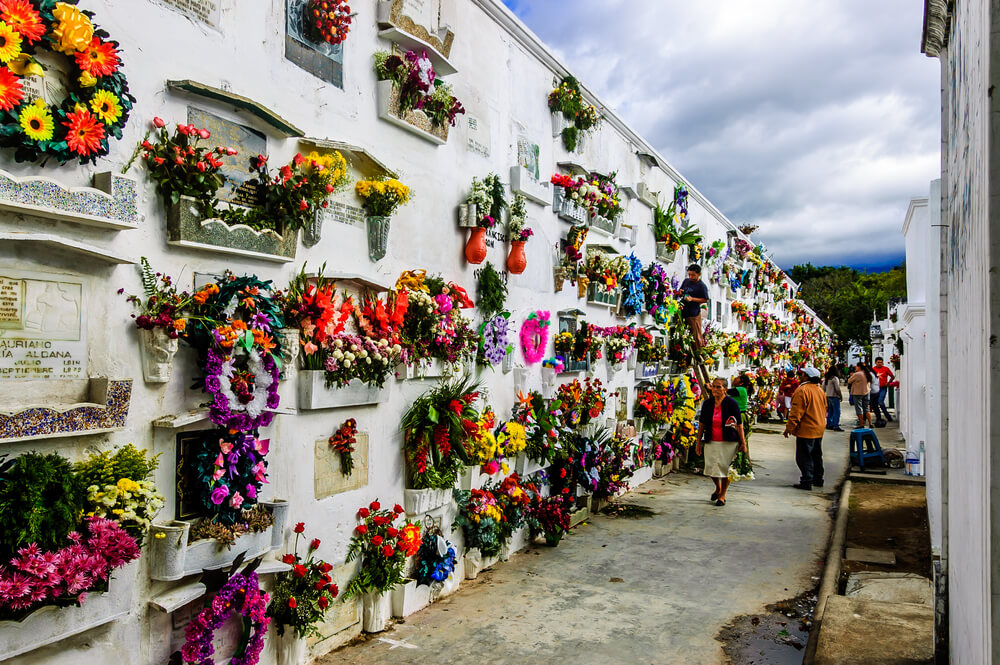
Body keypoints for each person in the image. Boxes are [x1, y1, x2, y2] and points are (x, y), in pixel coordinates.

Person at [696, 377, 747, 506]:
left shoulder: (731, 403)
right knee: (711, 468)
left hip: (728, 441)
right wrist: (698, 442)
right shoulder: (708, 404)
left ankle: (722, 495)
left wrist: (743, 443)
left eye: (718, 387)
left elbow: (739, 424)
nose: (715, 389)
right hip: (711, 440)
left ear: (725, 389)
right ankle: (718, 488)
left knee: (725, 469)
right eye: (714, 386)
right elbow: (701, 424)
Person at [783, 366, 827, 490]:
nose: (801, 376)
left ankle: (807, 480)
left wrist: (789, 428)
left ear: (807, 377)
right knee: (816, 455)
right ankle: (818, 479)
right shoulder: (820, 390)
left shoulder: (802, 390)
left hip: (807, 428)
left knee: (804, 456)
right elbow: (825, 407)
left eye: (803, 374)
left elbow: (796, 412)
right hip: (819, 427)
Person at [679, 264, 709, 351]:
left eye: (693, 275)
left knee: (695, 337)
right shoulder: (686, 281)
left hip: (693, 314)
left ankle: (699, 354)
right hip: (683, 311)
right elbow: (681, 291)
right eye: (689, 274)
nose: (691, 277)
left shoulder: (701, 286)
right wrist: (680, 292)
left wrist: (692, 299)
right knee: (682, 335)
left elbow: (705, 299)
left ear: (699, 274)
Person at [847, 363, 872, 429]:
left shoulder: (857, 374)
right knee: (866, 408)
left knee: (859, 409)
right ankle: (870, 423)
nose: (856, 368)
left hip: (857, 393)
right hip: (866, 392)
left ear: (859, 367)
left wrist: (851, 375)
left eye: (856, 366)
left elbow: (849, 381)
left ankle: (861, 424)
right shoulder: (867, 373)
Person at [871, 357, 895, 422]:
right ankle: (878, 417)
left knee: (880, 401)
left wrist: (888, 383)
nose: (879, 364)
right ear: (875, 363)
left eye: (881, 362)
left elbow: (892, 376)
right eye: (878, 362)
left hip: (883, 388)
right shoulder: (873, 369)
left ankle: (887, 416)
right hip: (875, 388)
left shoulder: (886, 369)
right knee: (874, 403)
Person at [823, 366, 843, 431]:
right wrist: (840, 395)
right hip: (834, 396)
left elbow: (823, 388)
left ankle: (829, 424)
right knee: (836, 412)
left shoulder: (827, 378)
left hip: (828, 396)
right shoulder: (835, 378)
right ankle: (836, 425)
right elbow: (837, 388)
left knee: (830, 411)